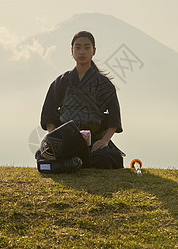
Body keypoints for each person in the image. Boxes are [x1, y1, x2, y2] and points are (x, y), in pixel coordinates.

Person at [36, 31, 124, 172]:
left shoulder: (104, 84)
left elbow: (114, 117)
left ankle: (73, 163)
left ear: (94, 51)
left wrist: (105, 140)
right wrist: (54, 138)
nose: (82, 51)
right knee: (43, 155)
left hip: (94, 140)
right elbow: (49, 114)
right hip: (66, 140)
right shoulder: (61, 82)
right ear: (71, 51)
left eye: (87, 47)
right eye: (77, 47)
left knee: (106, 157)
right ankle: (73, 162)